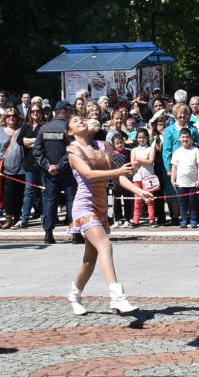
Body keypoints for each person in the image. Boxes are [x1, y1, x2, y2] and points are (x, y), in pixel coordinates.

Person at [64, 114, 152, 314]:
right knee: (105, 245)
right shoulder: (73, 150)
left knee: (90, 259)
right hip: (84, 205)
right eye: (75, 121)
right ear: (70, 131)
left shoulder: (103, 146)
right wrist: (117, 172)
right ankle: (117, 297)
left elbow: (119, 176)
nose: (80, 121)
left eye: (81, 119)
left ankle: (74, 295)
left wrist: (139, 192)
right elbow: (89, 174)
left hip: (101, 205)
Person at [38, 99, 76, 244]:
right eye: (70, 110)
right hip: (67, 172)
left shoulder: (44, 128)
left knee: (50, 201)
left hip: (50, 173)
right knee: (72, 201)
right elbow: (72, 150)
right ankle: (76, 234)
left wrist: (48, 165)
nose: (71, 113)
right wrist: (59, 166)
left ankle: (48, 234)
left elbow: (37, 151)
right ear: (64, 112)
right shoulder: (69, 129)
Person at [168, 128, 199, 228]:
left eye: (187, 137)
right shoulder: (177, 152)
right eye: (183, 137)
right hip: (181, 183)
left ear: (191, 138)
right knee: (182, 203)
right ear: (179, 138)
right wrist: (172, 180)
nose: (185, 139)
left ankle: (193, 219)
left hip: (193, 183)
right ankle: (184, 219)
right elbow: (174, 167)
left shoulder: (195, 150)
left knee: (193, 203)